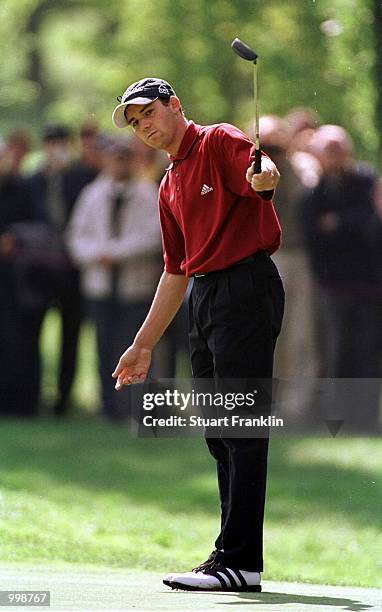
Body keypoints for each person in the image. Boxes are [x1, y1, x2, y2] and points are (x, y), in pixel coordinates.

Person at [111, 77, 284, 592]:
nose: (144, 126)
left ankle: (241, 560)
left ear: (175, 105)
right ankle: (230, 557)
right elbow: (175, 272)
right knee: (218, 431)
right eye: (136, 122)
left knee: (241, 423)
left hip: (246, 286)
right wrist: (142, 344)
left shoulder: (218, 140)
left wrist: (266, 177)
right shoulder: (167, 183)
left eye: (149, 113)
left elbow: (261, 171)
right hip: (205, 297)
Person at [67, 136, 162, 421]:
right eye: (115, 158)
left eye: (125, 157)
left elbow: (155, 236)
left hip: (136, 284)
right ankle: (108, 406)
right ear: (107, 160)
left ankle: (138, 407)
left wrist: (117, 253)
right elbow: (76, 236)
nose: (120, 163)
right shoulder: (92, 194)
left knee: (138, 345)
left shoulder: (148, 193)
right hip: (100, 284)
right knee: (103, 346)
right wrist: (98, 254)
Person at [300, 125, 381, 430]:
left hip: (370, 285)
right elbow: (314, 234)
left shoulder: (366, 181)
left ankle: (366, 420)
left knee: (368, 353)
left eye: (338, 149)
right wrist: (349, 224)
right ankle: (340, 421)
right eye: (328, 150)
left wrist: (339, 222)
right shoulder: (315, 193)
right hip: (333, 286)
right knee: (338, 353)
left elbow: (370, 223)